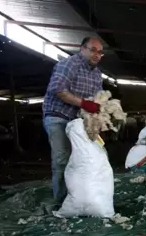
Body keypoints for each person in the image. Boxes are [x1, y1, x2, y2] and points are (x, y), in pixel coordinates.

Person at [42, 36, 105, 208]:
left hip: (78, 121)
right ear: (82, 48)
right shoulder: (69, 64)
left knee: (82, 158)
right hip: (58, 116)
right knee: (62, 159)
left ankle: (79, 197)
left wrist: (97, 118)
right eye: (93, 50)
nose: (97, 55)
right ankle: (61, 202)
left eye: (100, 52)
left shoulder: (97, 74)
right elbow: (57, 89)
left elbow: (97, 99)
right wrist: (84, 103)